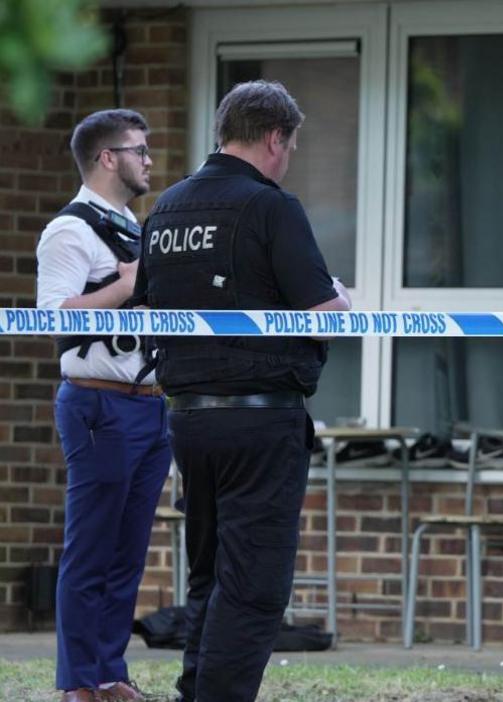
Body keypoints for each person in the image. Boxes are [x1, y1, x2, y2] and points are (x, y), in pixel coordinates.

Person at [131, 80, 350, 702]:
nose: (289, 159)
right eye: (292, 145)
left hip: (189, 421)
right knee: (253, 584)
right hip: (259, 419)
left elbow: (149, 306)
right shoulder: (271, 207)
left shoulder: (166, 209)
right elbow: (326, 311)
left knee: (208, 575)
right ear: (276, 137)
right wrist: (343, 296)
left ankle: (195, 691)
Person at [36, 109, 170, 702]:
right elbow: (55, 316)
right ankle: (77, 683)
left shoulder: (130, 226)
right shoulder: (69, 231)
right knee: (90, 549)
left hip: (150, 403)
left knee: (127, 553)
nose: (149, 161)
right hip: (98, 403)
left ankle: (111, 672)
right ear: (107, 158)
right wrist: (127, 284)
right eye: (139, 151)